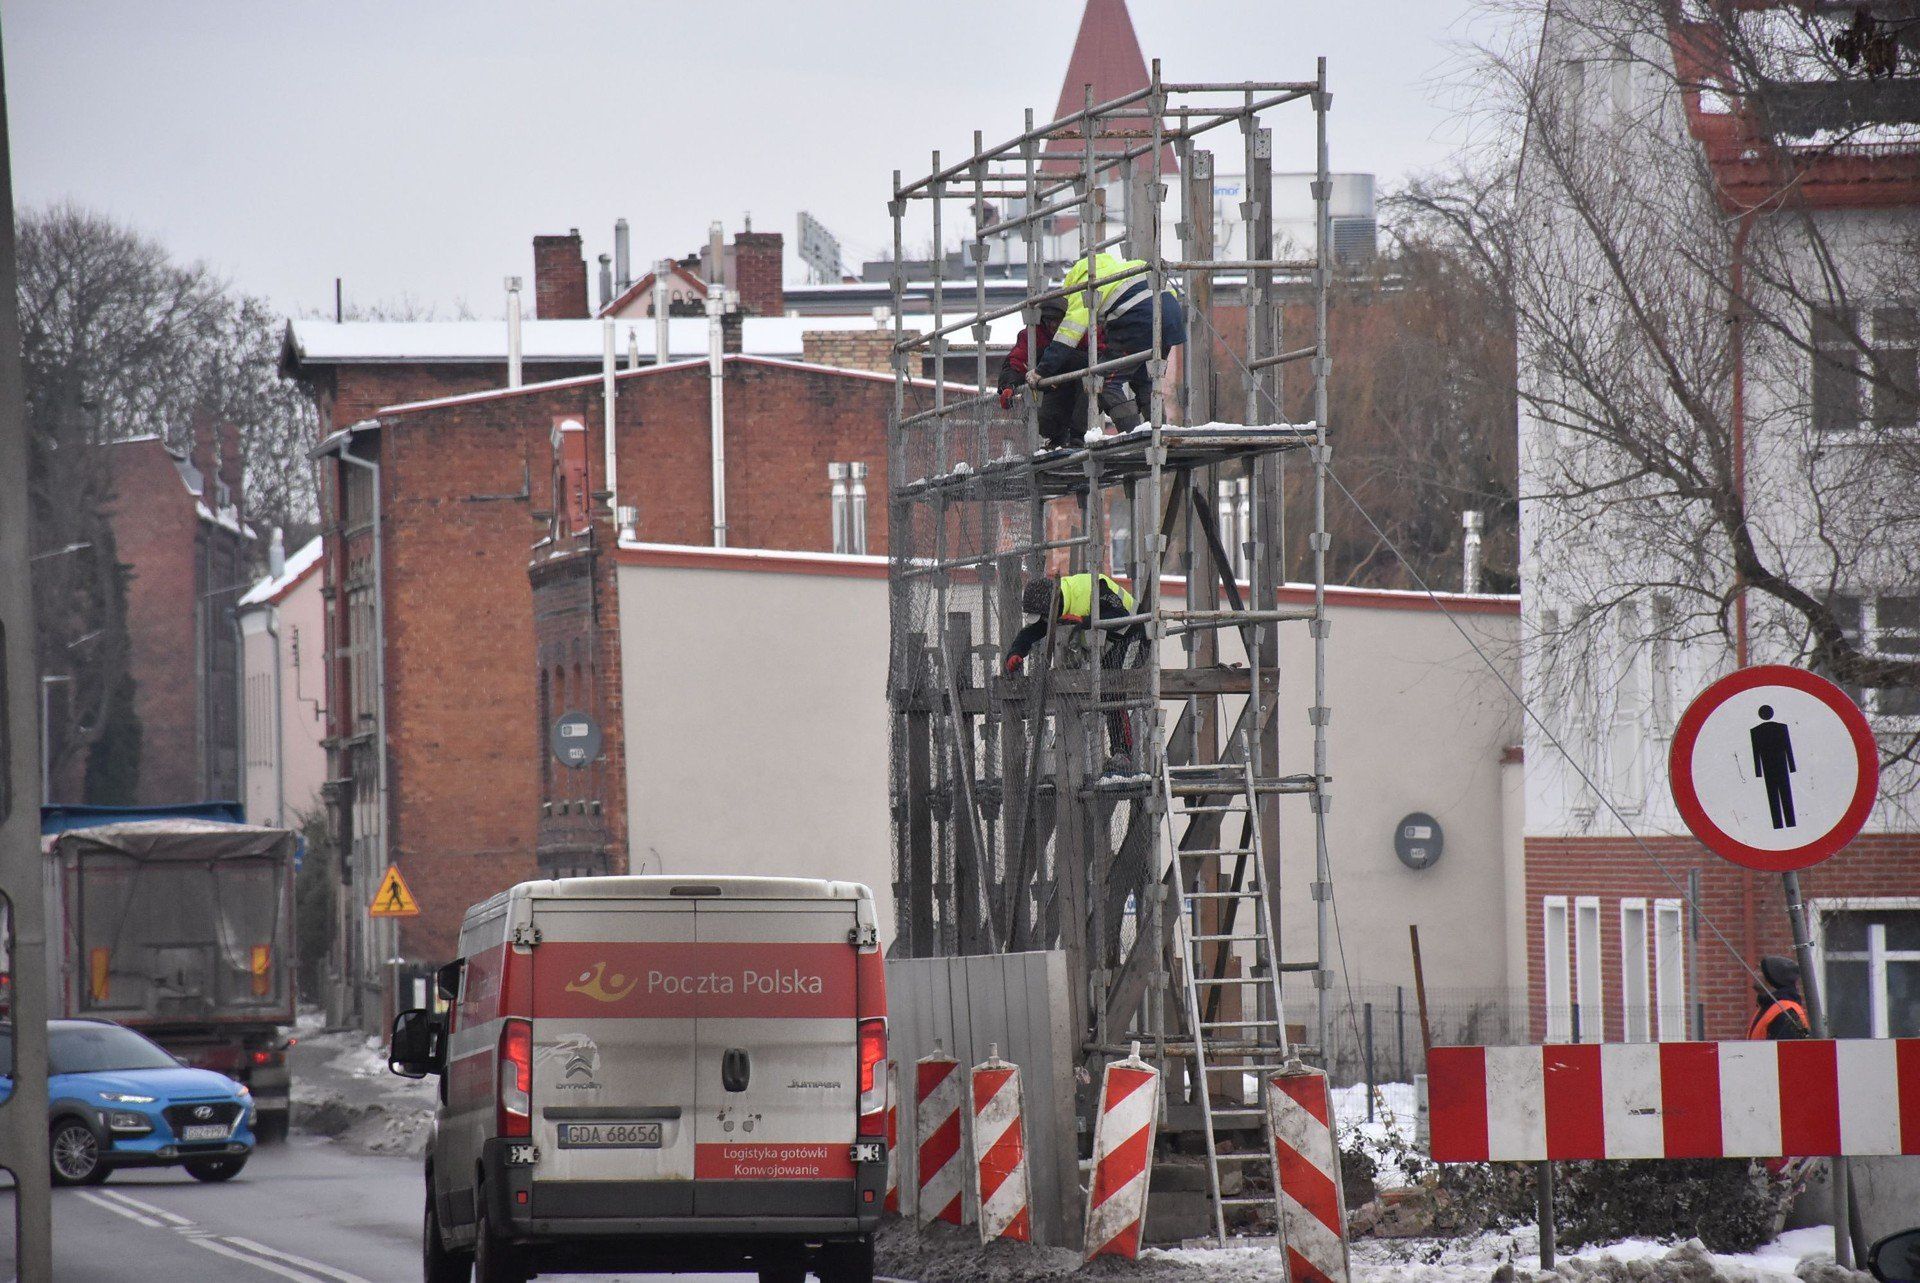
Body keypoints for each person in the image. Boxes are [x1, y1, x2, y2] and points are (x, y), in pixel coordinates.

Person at [1028, 251, 1186, 433]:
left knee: (1102, 380)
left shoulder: (1087, 286)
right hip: (1171, 318)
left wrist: (1042, 371)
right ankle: (1159, 429)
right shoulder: (1130, 266)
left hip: (1140, 319)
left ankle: (1133, 433)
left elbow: (1068, 335)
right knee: (1145, 378)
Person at [1004, 573, 1144, 771]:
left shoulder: (1094, 586)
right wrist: (1015, 652)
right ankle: (1108, 752)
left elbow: (1121, 615)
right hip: (1109, 643)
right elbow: (1032, 631)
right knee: (1103, 693)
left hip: (1134, 633)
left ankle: (1124, 754)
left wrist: (1084, 621)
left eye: (1046, 617)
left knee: (1115, 691)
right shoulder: (1053, 606)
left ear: (1055, 603)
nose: (1046, 621)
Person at [996, 296, 1087, 450]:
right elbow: (1016, 362)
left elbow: (1098, 356)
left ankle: (1078, 438)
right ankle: (1059, 438)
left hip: (1082, 389)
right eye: (1048, 320)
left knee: (1088, 378)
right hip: (1054, 389)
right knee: (1039, 419)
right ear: (1041, 319)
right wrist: (1008, 386)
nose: (1052, 325)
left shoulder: (1082, 330)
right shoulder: (1033, 335)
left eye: (1056, 320)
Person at [1747, 955, 1812, 1039]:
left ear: (1772, 977)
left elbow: (1787, 1048)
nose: (1754, 973)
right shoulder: (1769, 1007)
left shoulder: (1786, 1011)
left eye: (1760, 970)